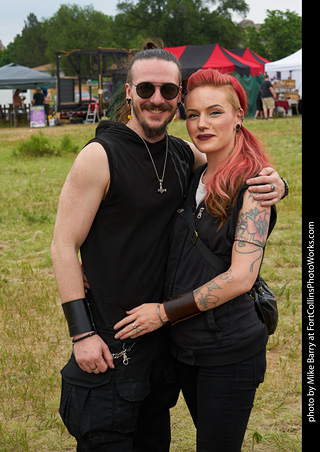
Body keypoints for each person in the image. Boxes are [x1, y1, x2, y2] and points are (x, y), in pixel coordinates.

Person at [51, 42, 286, 452]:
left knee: (155, 437)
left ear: (177, 96)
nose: (156, 100)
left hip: (165, 343)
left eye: (168, 91)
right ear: (128, 92)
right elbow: (61, 245)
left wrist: (279, 184)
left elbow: (234, 161)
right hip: (110, 338)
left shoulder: (181, 154)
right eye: (145, 90)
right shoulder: (99, 155)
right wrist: (81, 333)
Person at [114, 68, 279, 452]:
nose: (201, 124)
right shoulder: (197, 172)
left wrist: (162, 313)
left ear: (239, 115)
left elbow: (240, 277)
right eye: (192, 114)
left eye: (215, 112)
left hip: (228, 351)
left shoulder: (254, 186)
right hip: (187, 348)